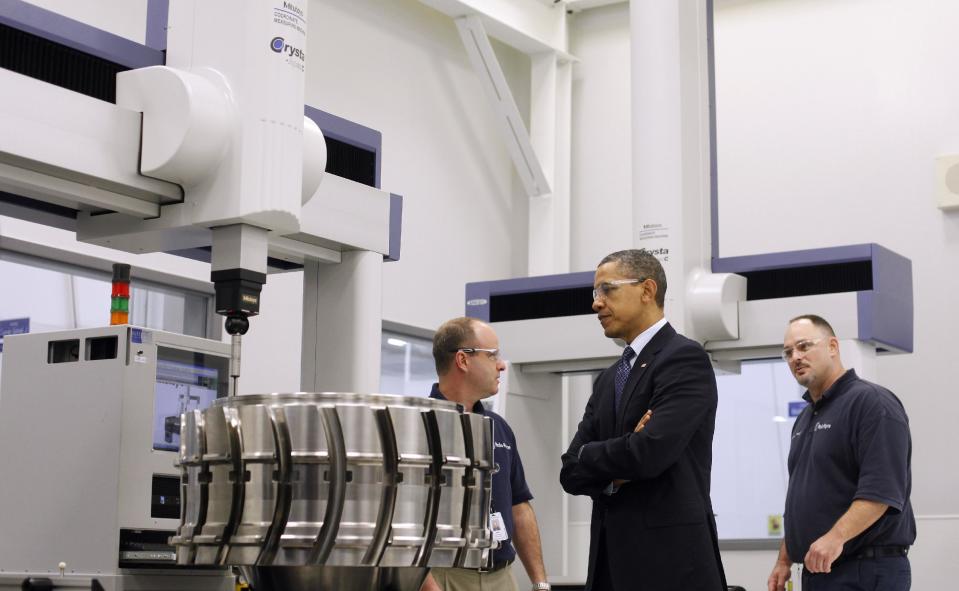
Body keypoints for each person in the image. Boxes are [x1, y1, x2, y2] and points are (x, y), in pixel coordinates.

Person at [559, 249, 726, 591]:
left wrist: (592, 454)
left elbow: (649, 453)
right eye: (595, 293)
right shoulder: (609, 378)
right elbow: (569, 472)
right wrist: (615, 471)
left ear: (647, 290)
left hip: (670, 568)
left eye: (608, 290)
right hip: (609, 567)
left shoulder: (683, 358)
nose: (596, 303)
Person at [767, 315, 916, 591]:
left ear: (833, 346)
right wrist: (785, 559)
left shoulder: (872, 404)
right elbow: (804, 498)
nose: (795, 357)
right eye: (788, 352)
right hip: (819, 573)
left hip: (865, 571)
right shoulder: (805, 419)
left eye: (804, 346)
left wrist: (835, 538)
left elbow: (881, 492)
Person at [421, 317, 551, 591]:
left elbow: (519, 506)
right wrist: (425, 583)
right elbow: (400, 518)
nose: (502, 365)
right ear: (463, 360)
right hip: (444, 578)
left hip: (501, 576)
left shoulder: (498, 428)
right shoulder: (419, 427)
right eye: (493, 355)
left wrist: (540, 583)